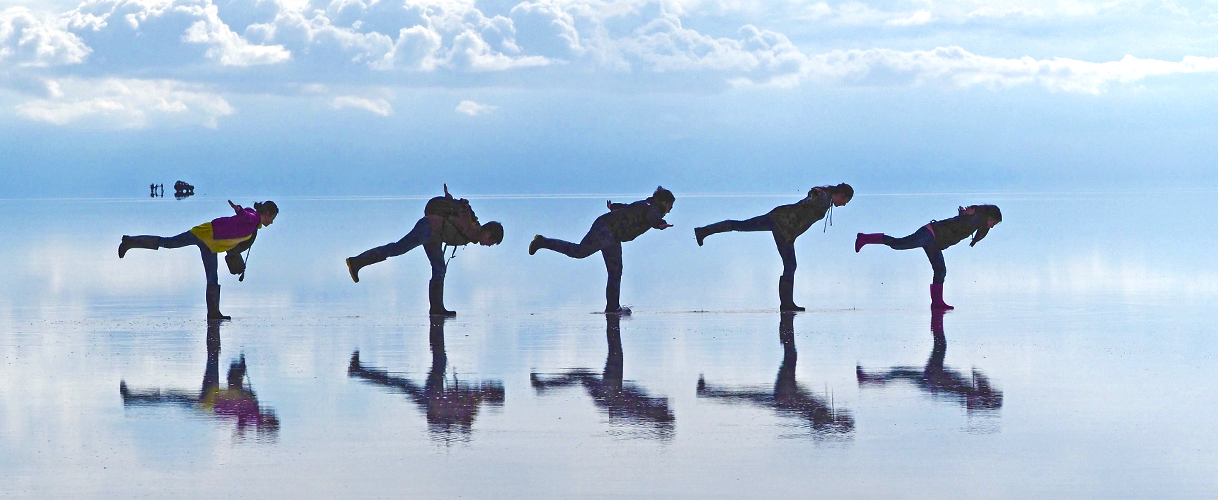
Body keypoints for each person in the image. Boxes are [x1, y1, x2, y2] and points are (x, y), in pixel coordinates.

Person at [345, 184, 504, 316]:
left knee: (439, 268)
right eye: (491, 242)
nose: (489, 245)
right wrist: (460, 205)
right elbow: (462, 214)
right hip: (427, 228)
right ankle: (357, 262)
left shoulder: (473, 228)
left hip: (435, 236)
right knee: (398, 248)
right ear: (488, 233)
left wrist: (451, 200)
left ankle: (437, 309)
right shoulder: (472, 227)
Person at [693, 183, 853, 311]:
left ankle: (704, 231)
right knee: (790, 265)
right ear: (841, 195)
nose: (844, 205)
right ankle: (786, 304)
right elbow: (814, 194)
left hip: (782, 223)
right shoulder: (823, 196)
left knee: (742, 226)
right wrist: (815, 193)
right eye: (846, 201)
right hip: (782, 224)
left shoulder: (827, 199)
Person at [118, 200, 278, 320]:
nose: (272, 222)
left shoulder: (254, 223)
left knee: (212, 276)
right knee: (168, 242)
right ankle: (130, 241)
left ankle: (214, 313)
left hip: (212, 244)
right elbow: (246, 215)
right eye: (273, 218)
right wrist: (238, 210)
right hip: (205, 234)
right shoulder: (253, 218)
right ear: (268, 213)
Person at [528, 186, 675, 314]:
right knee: (579, 252)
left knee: (615, 271)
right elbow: (653, 217)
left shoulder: (646, 204)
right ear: (665, 203)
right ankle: (542, 241)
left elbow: (626, 208)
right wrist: (660, 223)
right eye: (670, 206)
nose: (670, 210)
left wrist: (613, 207)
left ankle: (613, 307)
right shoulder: (652, 208)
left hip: (614, 235)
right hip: (606, 229)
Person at [854, 204, 1002, 310]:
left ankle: (937, 303)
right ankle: (864, 238)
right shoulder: (976, 218)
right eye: (993, 223)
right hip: (929, 236)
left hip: (934, 240)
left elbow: (959, 223)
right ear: (990, 217)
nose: (992, 226)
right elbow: (962, 222)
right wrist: (965, 215)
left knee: (940, 270)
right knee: (897, 244)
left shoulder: (976, 219)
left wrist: (963, 215)